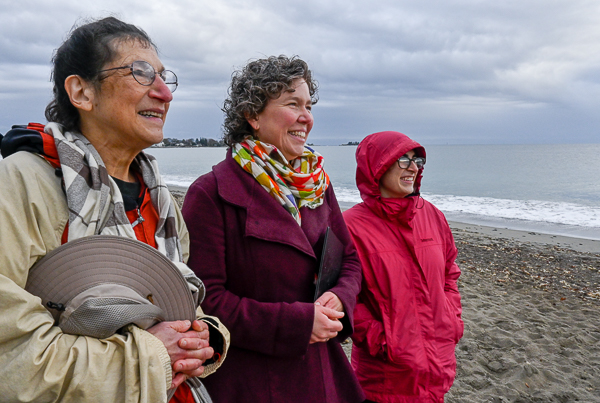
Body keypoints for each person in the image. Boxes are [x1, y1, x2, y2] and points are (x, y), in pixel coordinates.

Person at [0, 17, 228, 403]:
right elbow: (14, 358)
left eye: (164, 77)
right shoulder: (22, 183)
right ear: (82, 92)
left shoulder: (161, 201)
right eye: (140, 72)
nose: (164, 94)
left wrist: (203, 335)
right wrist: (155, 356)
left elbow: (174, 302)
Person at [181, 55, 365, 402]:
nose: (306, 117)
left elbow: (351, 260)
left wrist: (340, 298)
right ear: (252, 115)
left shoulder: (317, 184)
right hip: (252, 380)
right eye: (292, 104)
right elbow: (207, 303)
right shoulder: (211, 193)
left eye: (308, 105)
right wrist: (297, 323)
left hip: (321, 372)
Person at [343, 131, 464, 403]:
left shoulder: (432, 215)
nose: (413, 167)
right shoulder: (350, 226)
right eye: (402, 160)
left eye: (417, 160)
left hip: (436, 368)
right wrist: (382, 340)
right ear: (377, 166)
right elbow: (343, 297)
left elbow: (449, 274)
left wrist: (451, 318)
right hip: (384, 379)